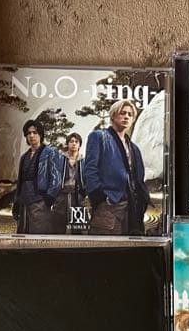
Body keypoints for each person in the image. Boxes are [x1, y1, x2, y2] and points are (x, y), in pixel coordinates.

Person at [81, 99, 149, 235]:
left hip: (131, 207)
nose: (126, 117)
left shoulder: (134, 148)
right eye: (122, 113)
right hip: (108, 204)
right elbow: (90, 169)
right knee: (105, 245)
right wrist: (99, 197)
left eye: (130, 114)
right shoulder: (99, 136)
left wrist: (142, 198)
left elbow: (138, 178)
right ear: (113, 116)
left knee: (128, 246)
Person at [12, 119, 62, 235]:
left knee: (39, 234)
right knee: (23, 234)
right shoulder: (24, 157)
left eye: (34, 132)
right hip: (24, 202)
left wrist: (49, 198)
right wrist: (16, 201)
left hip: (40, 201)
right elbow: (20, 181)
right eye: (28, 133)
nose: (31, 135)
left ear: (40, 134)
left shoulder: (50, 152)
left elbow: (56, 178)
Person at [54, 132, 85, 233]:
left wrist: (84, 192)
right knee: (58, 225)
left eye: (76, 142)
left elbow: (87, 178)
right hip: (62, 195)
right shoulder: (60, 159)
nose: (74, 144)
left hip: (77, 196)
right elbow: (55, 176)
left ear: (79, 145)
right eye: (71, 141)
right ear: (67, 144)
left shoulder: (83, 161)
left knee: (77, 227)